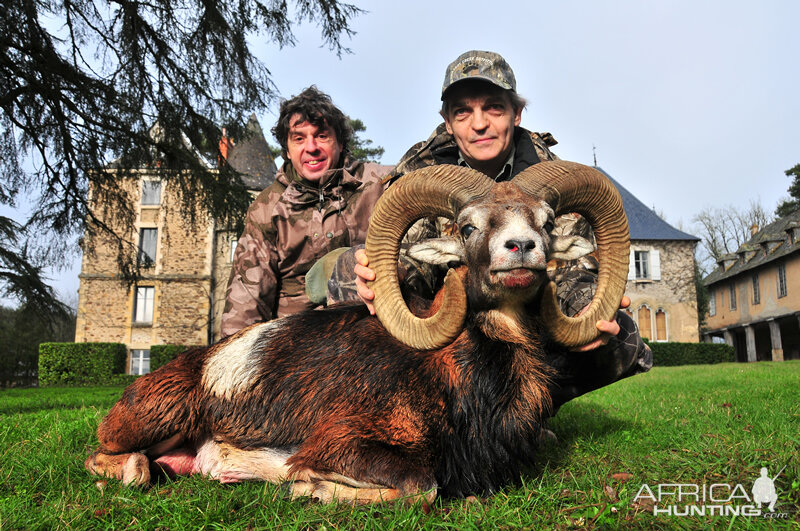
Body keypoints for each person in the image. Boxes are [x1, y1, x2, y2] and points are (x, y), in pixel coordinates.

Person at [330, 50, 652, 413]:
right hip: (453, 329)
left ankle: (524, 414)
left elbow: (575, 270)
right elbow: (409, 256)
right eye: (462, 111)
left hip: (527, 324)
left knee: (620, 337)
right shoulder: (423, 174)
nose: (478, 123)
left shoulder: (556, 179)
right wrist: (379, 279)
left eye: (494, 108)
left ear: (516, 113)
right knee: (345, 274)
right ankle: (391, 412)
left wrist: (590, 308)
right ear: (448, 122)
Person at [220, 86, 386, 338]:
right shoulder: (267, 209)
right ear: (287, 150)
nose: (311, 147)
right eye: (299, 138)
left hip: (375, 332)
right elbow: (246, 302)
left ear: (340, 143)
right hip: (296, 345)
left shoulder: (379, 185)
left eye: (321, 136)